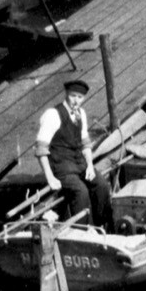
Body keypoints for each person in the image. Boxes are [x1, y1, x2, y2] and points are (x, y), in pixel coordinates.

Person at [35, 79, 112, 229]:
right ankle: (81, 232)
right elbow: (40, 150)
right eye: (73, 96)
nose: (76, 101)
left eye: (80, 97)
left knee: (101, 185)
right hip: (62, 167)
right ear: (66, 94)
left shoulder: (80, 114)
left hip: (79, 164)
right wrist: (50, 177)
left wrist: (90, 165)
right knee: (81, 192)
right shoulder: (53, 115)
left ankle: (102, 225)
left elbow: (85, 144)